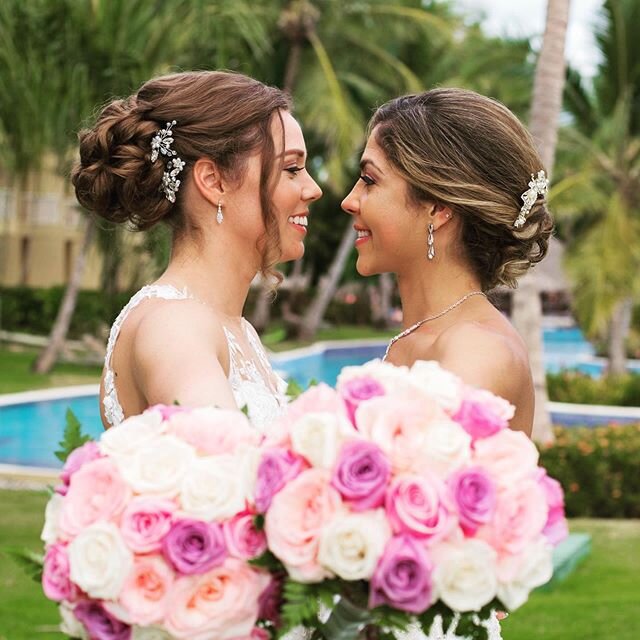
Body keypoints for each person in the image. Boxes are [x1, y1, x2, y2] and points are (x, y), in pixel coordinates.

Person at [72, 70, 322, 431]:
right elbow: (228, 466)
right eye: (292, 168)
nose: (313, 189)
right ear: (214, 181)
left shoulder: (232, 327)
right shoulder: (176, 326)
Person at [342, 88, 554, 437]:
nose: (350, 201)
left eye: (369, 180)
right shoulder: (422, 335)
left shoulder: (476, 350)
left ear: (438, 209)